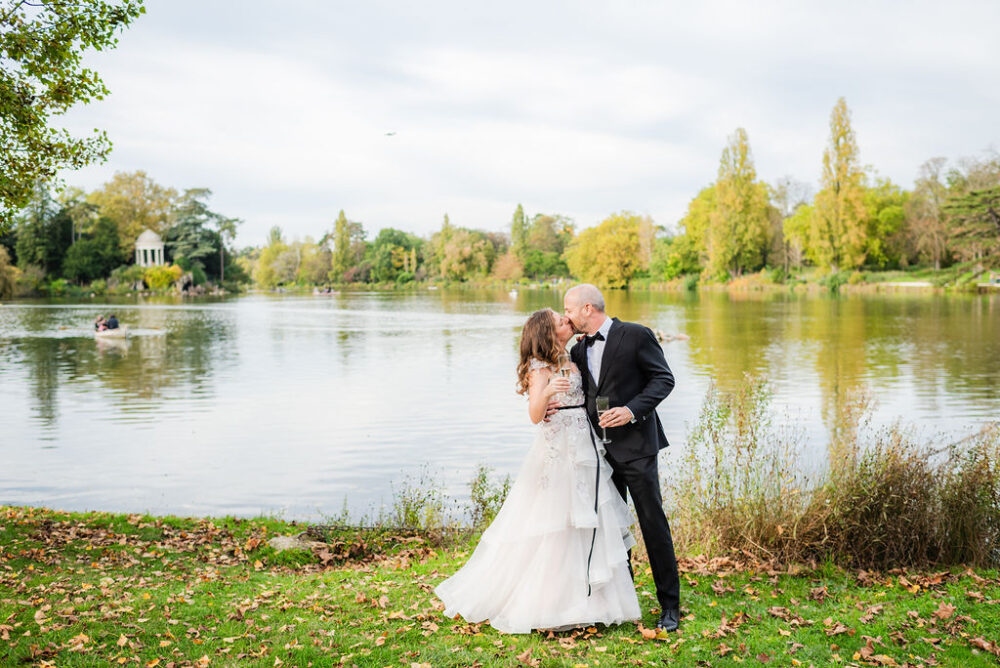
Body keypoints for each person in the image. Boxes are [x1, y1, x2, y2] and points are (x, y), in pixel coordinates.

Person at [435, 308, 640, 634]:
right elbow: (534, 415)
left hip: (584, 443)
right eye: (560, 320)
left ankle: (592, 598)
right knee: (556, 518)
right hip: (558, 448)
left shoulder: (573, 357)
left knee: (587, 516)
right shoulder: (539, 366)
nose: (567, 321)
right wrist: (547, 392)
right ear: (548, 332)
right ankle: (552, 601)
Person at [563, 284, 681, 632]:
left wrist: (631, 410)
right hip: (599, 453)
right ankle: (622, 600)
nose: (566, 315)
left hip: (638, 449)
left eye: (568, 309)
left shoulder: (636, 334)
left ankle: (670, 606)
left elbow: (663, 379)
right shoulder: (578, 349)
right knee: (612, 528)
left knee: (652, 524)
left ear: (587, 308)